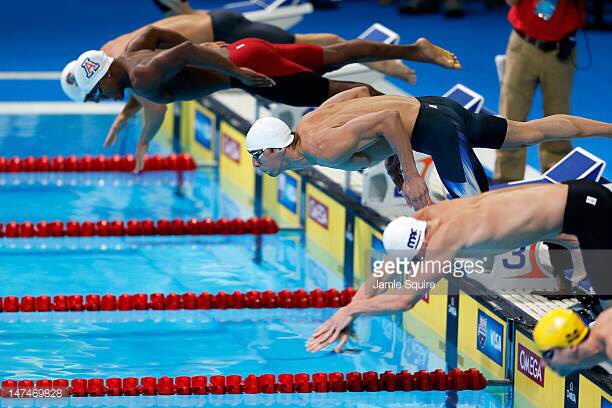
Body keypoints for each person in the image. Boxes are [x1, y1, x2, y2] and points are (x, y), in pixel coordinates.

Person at [72, 27, 460, 171]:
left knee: (337, 95)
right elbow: (158, 35)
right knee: (335, 55)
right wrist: (218, 52)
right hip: (246, 48)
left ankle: (409, 121)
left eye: (98, 94)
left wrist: (237, 74)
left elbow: (185, 51)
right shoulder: (132, 56)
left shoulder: (142, 79)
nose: (102, 99)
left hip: (250, 71)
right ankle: (414, 49)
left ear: (105, 75)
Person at [305, 179, 612, 353]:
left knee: (609, 310)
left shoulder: (445, 239)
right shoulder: (423, 220)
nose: (419, 263)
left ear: (423, 244)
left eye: (418, 258)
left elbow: (404, 300)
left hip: (586, 211)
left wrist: (350, 311)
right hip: (570, 208)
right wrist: (348, 312)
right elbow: (383, 273)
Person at [246, 86, 611, 209]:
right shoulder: (309, 122)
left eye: (257, 157)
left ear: (276, 149)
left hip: (436, 130)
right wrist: (394, 151)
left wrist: (410, 174)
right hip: (433, 106)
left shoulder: (323, 147)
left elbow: (387, 118)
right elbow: (361, 94)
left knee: (476, 211)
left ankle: (561, 216)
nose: (256, 165)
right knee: (530, 133)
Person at [494, 0, 585, 183]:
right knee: (511, 116)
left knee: (559, 117)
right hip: (522, 45)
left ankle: (557, 181)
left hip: (560, 50)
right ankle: (505, 182)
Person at [534, 308, 612, 376]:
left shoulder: (609, 343)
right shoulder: (603, 321)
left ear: (572, 345)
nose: (543, 364)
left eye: (548, 354)